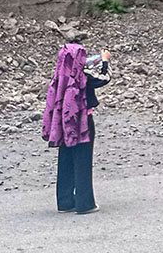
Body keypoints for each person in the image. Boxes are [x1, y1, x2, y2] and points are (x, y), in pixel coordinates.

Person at [42, 43, 112, 214]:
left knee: (65, 159)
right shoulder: (82, 77)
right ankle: (84, 203)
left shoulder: (59, 77)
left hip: (63, 122)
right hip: (82, 122)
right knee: (82, 160)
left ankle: (65, 201)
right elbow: (104, 78)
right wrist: (105, 61)